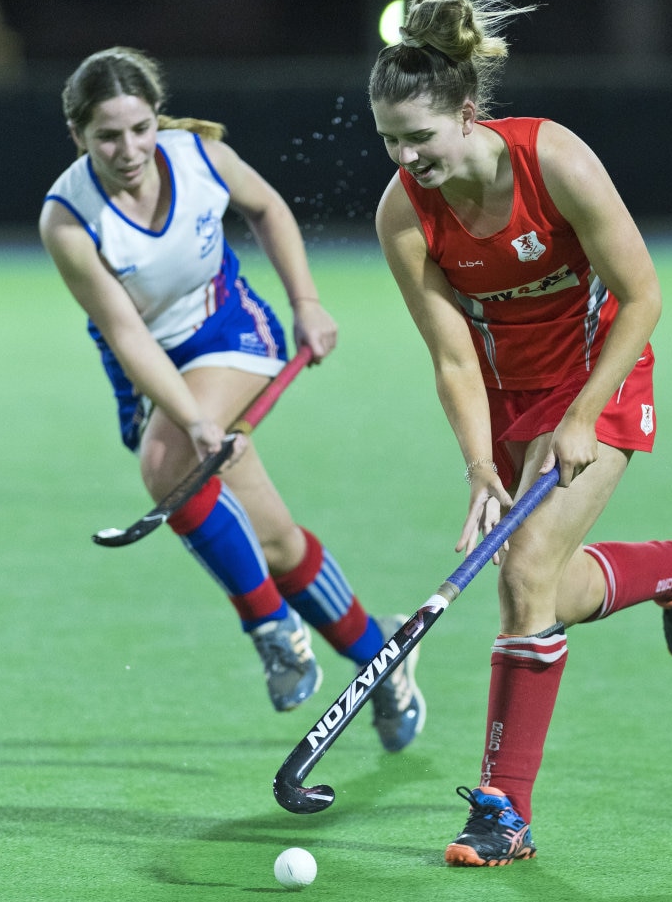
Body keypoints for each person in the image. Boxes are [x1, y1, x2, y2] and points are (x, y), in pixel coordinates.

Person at [370, 0, 672, 867]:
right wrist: (475, 466)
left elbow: (642, 296)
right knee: (547, 591)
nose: (407, 158)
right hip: (502, 397)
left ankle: (504, 812)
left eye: (420, 135)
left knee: (523, 576)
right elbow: (454, 361)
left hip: (597, 373)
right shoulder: (404, 216)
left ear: (466, 113)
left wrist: (580, 416)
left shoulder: (553, 158)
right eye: (389, 140)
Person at [39, 47, 424, 752]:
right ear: (78, 137)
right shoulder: (67, 220)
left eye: (139, 128)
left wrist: (306, 303)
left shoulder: (198, 157)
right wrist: (194, 419)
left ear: (157, 119)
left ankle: (273, 631)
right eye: (107, 136)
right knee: (273, 540)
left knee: (167, 462)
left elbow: (268, 208)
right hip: (147, 364)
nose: (128, 150)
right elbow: (128, 337)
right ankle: (385, 657)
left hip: (230, 331)